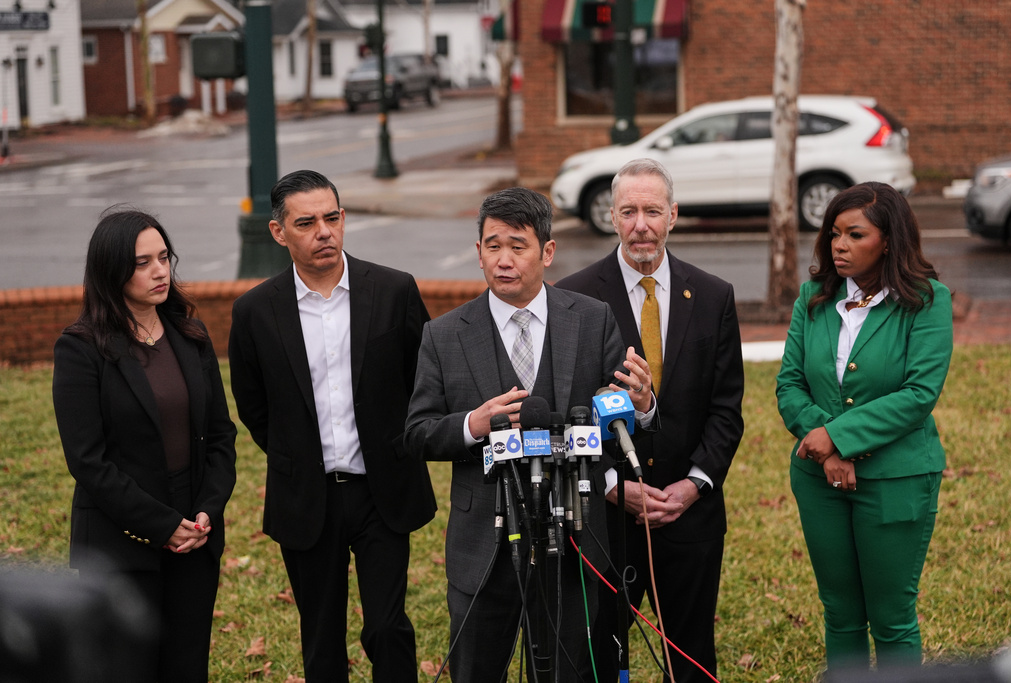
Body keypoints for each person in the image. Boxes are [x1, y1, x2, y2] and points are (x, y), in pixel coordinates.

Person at [405, 186, 656, 682]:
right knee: (477, 670)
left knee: (570, 671)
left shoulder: (590, 318)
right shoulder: (444, 334)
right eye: (492, 246)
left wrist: (643, 405)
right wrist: (472, 424)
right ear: (477, 251)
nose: (503, 260)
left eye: (517, 246)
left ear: (546, 251)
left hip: (576, 534)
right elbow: (418, 432)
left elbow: (620, 412)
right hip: (484, 546)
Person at [228, 170, 436, 683]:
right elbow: (253, 406)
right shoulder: (254, 311)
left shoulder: (393, 290)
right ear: (279, 233)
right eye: (306, 222)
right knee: (320, 638)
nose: (324, 231)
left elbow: (423, 382)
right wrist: (295, 453)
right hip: (307, 496)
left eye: (332, 218)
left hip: (381, 491)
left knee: (386, 629)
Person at [557, 158, 744, 682]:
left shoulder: (713, 295)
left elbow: (726, 410)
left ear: (674, 215)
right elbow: (564, 414)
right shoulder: (571, 298)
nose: (642, 224)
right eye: (629, 211)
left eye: (653, 211)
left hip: (690, 516)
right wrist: (613, 484)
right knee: (598, 654)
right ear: (612, 217)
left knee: (690, 657)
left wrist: (693, 486)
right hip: (604, 517)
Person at [52, 207, 237, 683]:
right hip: (120, 546)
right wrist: (162, 526)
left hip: (194, 538)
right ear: (111, 270)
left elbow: (220, 437)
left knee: (186, 667)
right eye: (142, 262)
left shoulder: (190, 336)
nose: (160, 271)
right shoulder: (81, 348)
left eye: (163, 257)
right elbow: (87, 461)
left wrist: (205, 514)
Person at [775, 182, 953, 674]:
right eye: (834, 233)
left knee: (892, 619)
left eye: (855, 234)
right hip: (818, 481)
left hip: (896, 481)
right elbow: (789, 384)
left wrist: (838, 437)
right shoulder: (814, 297)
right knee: (841, 614)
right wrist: (826, 449)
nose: (839, 244)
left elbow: (919, 394)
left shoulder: (927, 300)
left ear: (890, 240)